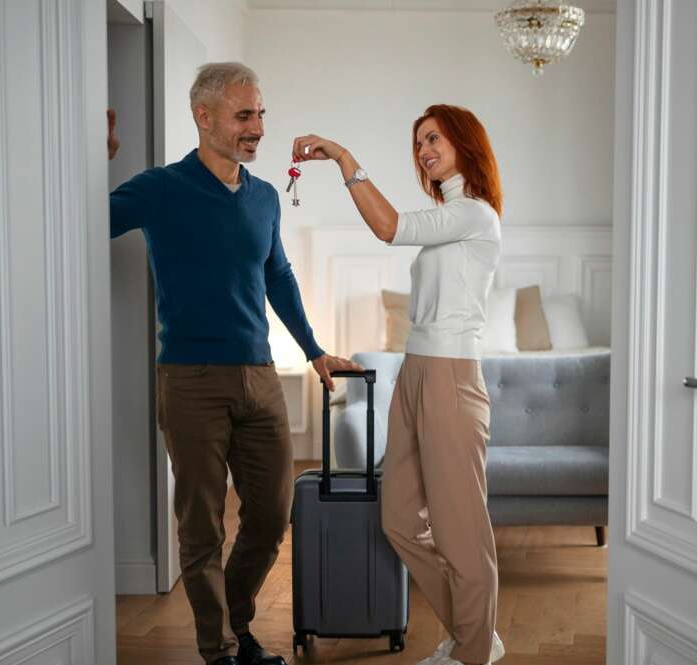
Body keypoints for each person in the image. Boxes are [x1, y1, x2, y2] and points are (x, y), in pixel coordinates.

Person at [108, 62, 360, 665]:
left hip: (259, 373)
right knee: (201, 527)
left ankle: (237, 622)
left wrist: (313, 349)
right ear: (204, 116)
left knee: (272, 515)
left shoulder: (265, 196)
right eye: (245, 115)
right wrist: (96, 157)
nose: (258, 128)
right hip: (190, 379)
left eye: (261, 114)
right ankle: (221, 650)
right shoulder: (159, 187)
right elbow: (78, 222)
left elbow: (278, 276)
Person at [291, 104, 505, 665]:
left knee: (462, 531)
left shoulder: (476, 214)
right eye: (418, 143)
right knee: (399, 518)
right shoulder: (449, 219)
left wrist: (341, 156)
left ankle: (474, 649)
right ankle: (473, 630)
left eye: (433, 138)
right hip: (415, 371)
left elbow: (390, 227)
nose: (424, 150)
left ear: (464, 142)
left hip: (452, 378)